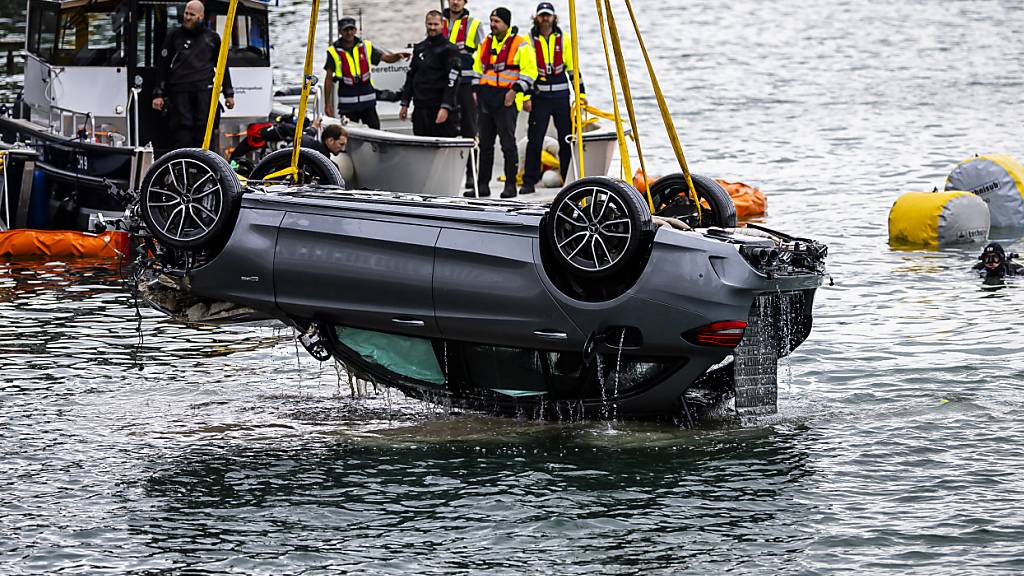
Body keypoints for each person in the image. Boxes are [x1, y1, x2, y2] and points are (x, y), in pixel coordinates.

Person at [469, 7, 537, 198]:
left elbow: (530, 72)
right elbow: (477, 68)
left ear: (506, 24)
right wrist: (475, 91)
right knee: (485, 145)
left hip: (507, 100)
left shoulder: (521, 44)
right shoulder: (485, 43)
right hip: (486, 99)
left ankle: (510, 186)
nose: (493, 24)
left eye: (497, 21)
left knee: (508, 145)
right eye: (491, 21)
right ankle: (482, 186)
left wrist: (514, 92)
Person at [520, 2, 586, 195]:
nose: (545, 19)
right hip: (539, 97)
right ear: (536, 18)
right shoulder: (528, 40)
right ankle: (529, 181)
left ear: (554, 17)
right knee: (535, 139)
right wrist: (526, 97)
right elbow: (525, 71)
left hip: (560, 97)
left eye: (548, 15)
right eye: (542, 15)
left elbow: (574, 70)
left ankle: (568, 179)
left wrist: (581, 95)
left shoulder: (564, 39)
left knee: (566, 139)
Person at [152, 0, 235, 150]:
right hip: (179, 92)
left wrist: (229, 94)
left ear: (200, 17)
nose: (187, 17)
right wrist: (158, 94)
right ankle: (182, 162)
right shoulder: (174, 36)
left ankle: (205, 162)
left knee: (204, 132)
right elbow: (162, 66)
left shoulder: (212, 38)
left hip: (204, 91)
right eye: (186, 13)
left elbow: (222, 67)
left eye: (192, 14)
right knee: (183, 134)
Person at [323, 16, 409, 130]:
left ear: (355, 30)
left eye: (351, 29)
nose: (349, 33)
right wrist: (327, 104)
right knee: (350, 133)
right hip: (348, 104)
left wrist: (397, 56)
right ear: (340, 31)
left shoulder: (365, 46)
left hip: (368, 102)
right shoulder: (333, 51)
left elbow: (386, 58)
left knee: (375, 130)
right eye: (345, 30)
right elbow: (328, 78)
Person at [442, 0, 485, 189]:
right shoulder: (438, 22)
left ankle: (471, 174)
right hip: (444, 85)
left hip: (466, 84)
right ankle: (446, 174)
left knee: (470, 129)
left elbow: (483, 56)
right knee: (446, 129)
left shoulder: (474, 25)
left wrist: (477, 86)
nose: (455, 2)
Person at [399, 11, 462, 138]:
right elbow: (411, 77)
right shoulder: (419, 48)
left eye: (436, 24)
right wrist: (405, 103)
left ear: (442, 25)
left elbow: (453, 80)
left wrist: (445, 107)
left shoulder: (450, 49)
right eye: (429, 24)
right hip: (420, 108)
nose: (432, 27)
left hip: (439, 107)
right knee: (421, 142)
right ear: (425, 24)